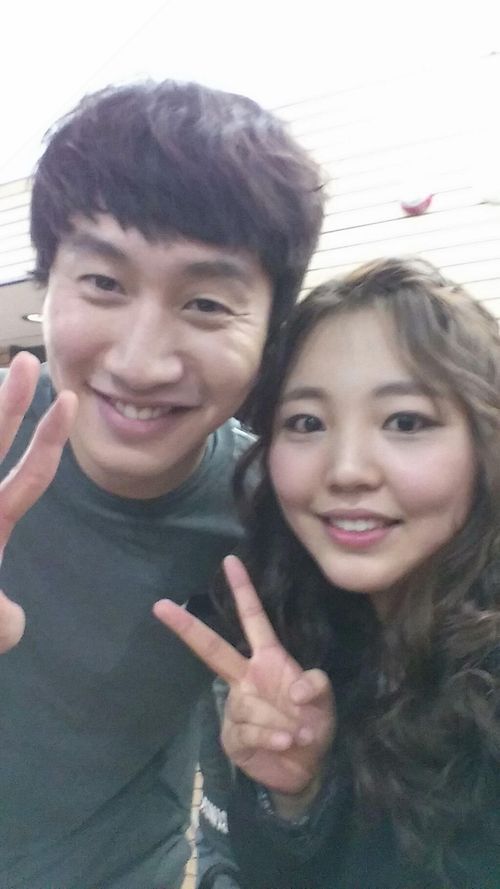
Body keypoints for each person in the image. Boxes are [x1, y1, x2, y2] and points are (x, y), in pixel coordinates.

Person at [0, 80, 324, 889]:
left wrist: (297, 775)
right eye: (104, 284)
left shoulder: (279, 510)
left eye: (206, 302)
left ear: (271, 335)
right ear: (47, 286)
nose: (141, 361)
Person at [156, 257, 500, 889]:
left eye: (405, 422)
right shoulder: (304, 636)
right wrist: (298, 796)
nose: (346, 471)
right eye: (307, 423)